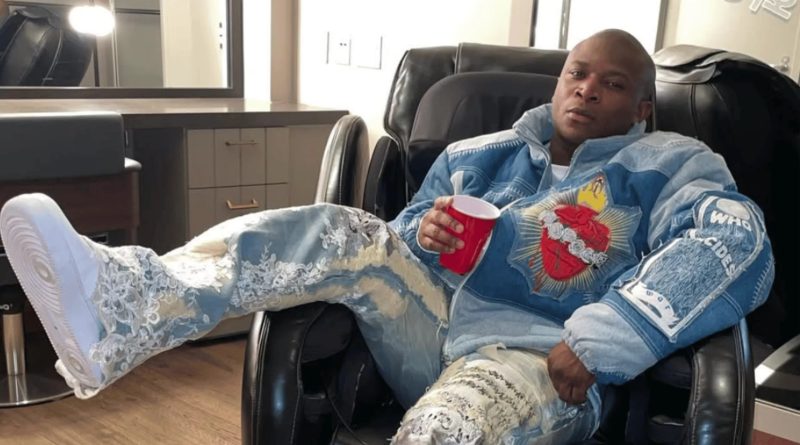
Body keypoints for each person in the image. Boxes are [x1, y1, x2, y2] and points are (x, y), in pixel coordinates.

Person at [0, 29, 773, 444]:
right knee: (347, 230)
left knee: (448, 427)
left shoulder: (669, 163)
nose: (586, 88)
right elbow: (402, 239)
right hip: (431, 325)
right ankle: (122, 310)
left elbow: (737, 243)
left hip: (544, 361)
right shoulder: (484, 154)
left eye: (612, 83)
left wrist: (609, 336)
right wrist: (421, 233)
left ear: (642, 107)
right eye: (577, 73)